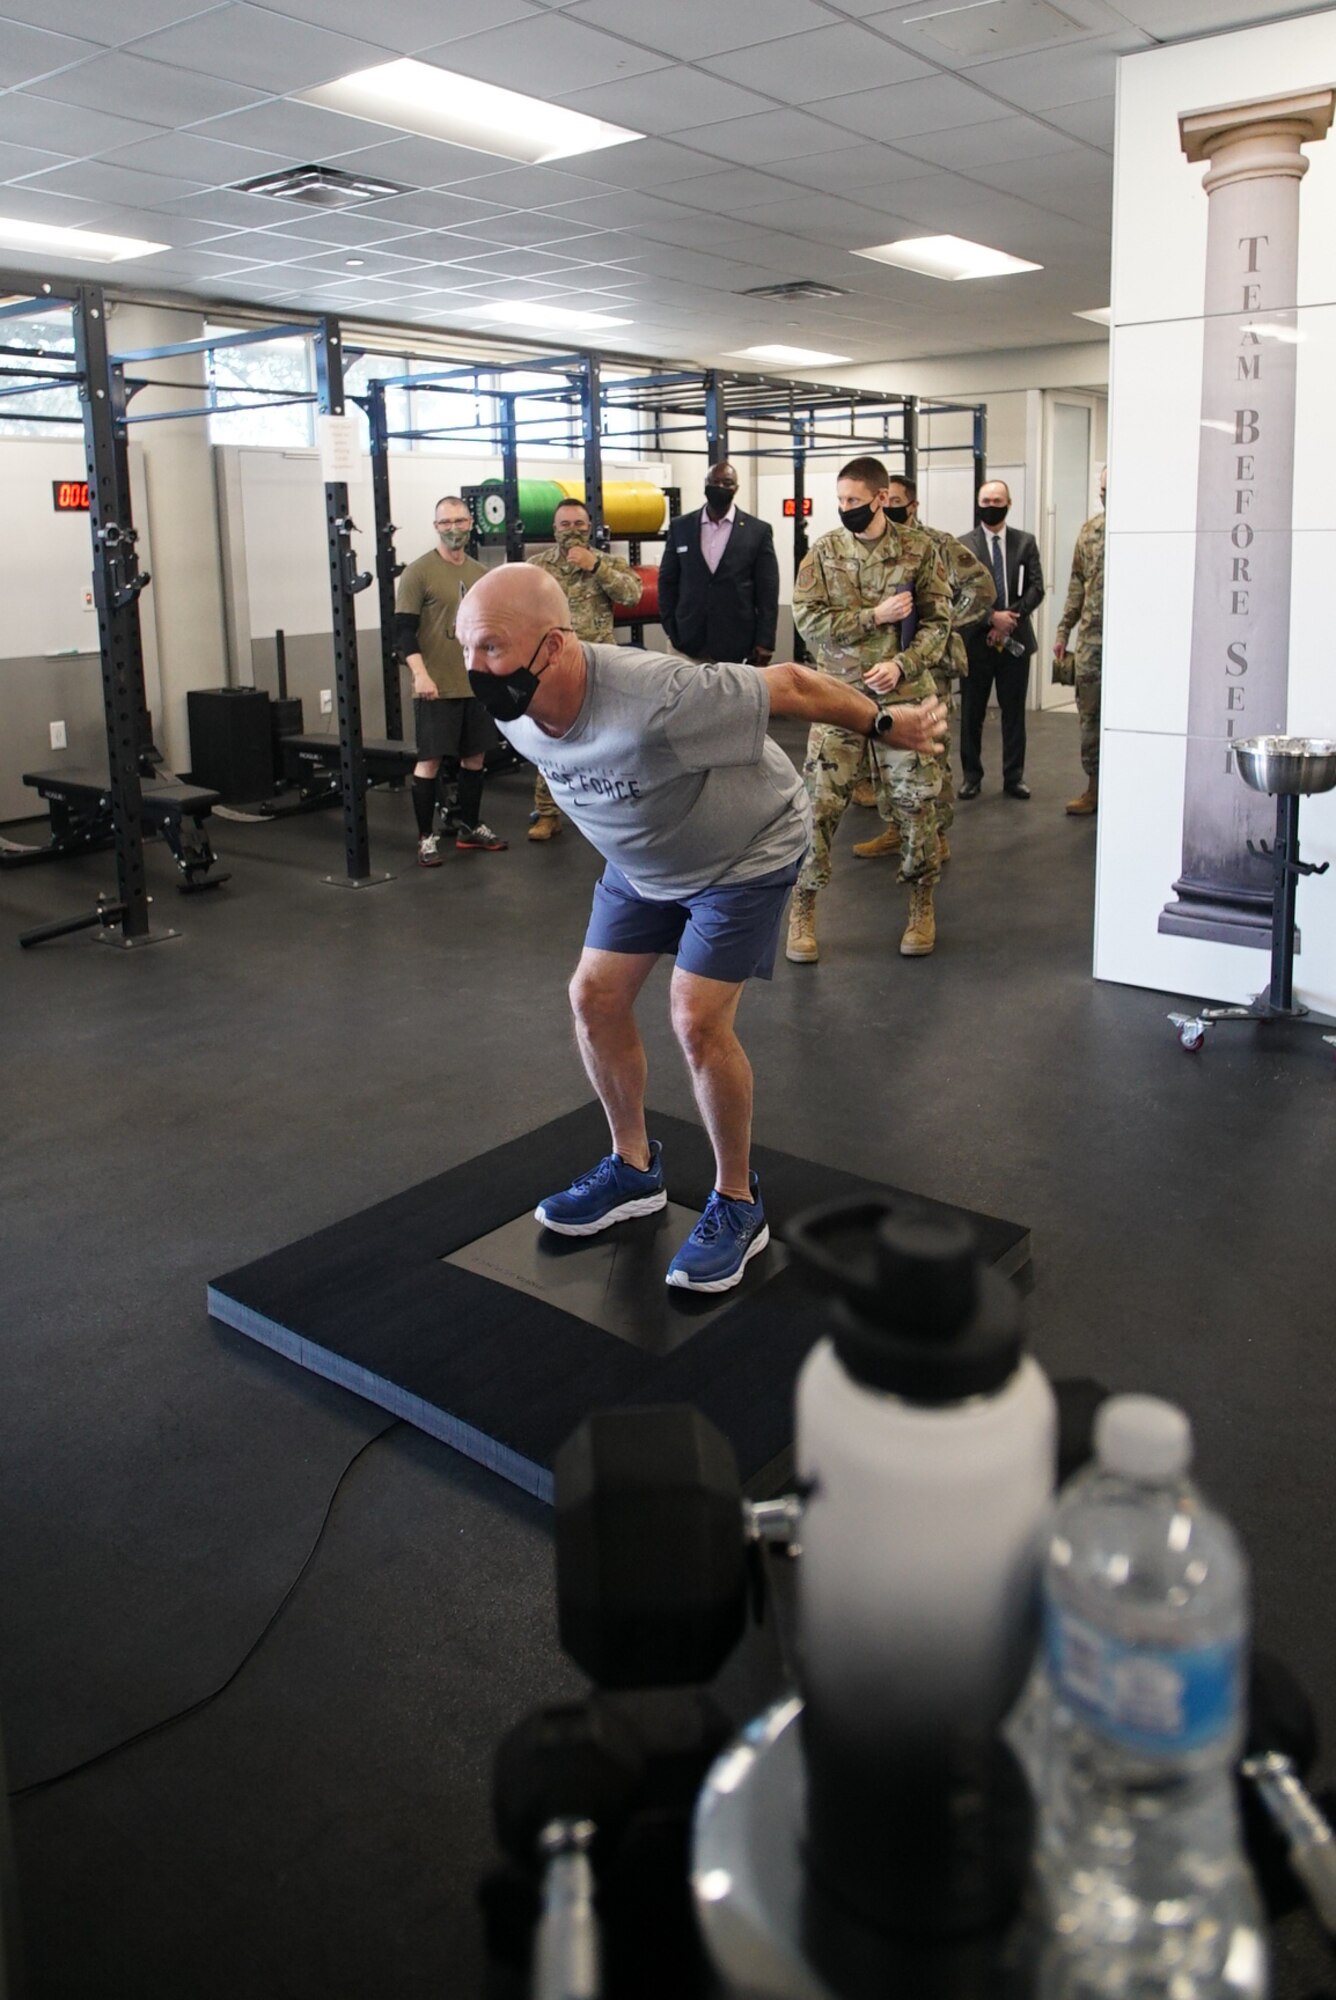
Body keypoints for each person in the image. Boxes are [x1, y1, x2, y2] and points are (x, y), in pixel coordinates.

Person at [455, 565, 947, 1293]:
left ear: (553, 646)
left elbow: (794, 685)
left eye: (491, 648)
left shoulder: (657, 696)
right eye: (466, 649)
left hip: (742, 850)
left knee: (695, 1017)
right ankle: (633, 1169)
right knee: (592, 998)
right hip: (643, 858)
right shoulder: (510, 702)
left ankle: (738, 1203)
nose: (476, 668)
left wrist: (885, 722)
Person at [789, 455, 953, 961]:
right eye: (840, 501)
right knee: (818, 806)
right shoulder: (823, 552)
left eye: (854, 501)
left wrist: (904, 664)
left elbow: (938, 621)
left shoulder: (920, 550)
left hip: (904, 699)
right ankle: (804, 906)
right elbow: (807, 621)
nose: (845, 509)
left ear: (882, 499)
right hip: (838, 698)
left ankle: (921, 905)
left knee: (917, 805)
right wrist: (872, 617)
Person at [852, 473, 995, 866]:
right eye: (886, 500)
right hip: (883, 665)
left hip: (930, 665)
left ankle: (937, 833)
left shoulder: (937, 543)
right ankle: (896, 828)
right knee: (885, 746)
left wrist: (946, 622)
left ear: (911, 505)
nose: (889, 506)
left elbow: (983, 588)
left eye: (896, 500)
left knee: (931, 751)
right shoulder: (868, 546)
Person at [394, 495, 506, 862]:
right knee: (430, 762)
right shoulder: (418, 572)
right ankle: (426, 838)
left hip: (473, 681)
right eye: (446, 523)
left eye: (459, 521)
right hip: (435, 686)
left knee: (474, 758)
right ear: (436, 527)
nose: (453, 529)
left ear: (471, 523)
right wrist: (420, 675)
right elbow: (403, 633)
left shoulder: (479, 574)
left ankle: (470, 828)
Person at [524, 497, 642, 842]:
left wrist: (596, 567)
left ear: (590, 528)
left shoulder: (607, 562)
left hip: (599, 666)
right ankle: (547, 813)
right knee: (549, 739)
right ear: (554, 530)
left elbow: (633, 594)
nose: (572, 531)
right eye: (565, 525)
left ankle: (616, 813)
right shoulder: (537, 566)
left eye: (579, 525)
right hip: (552, 667)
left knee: (611, 740)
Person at [959, 480, 1045, 800]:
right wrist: (990, 618)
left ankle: (1014, 777)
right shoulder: (962, 545)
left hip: (1016, 642)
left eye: (997, 499)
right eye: (985, 499)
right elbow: (957, 594)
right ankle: (971, 776)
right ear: (977, 502)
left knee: (1014, 714)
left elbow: (1037, 588)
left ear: (1009, 503)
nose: (990, 504)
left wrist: (1009, 620)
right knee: (971, 714)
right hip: (975, 643)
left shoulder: (1025, 543)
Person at [658, 460, 780, 666]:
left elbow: (767, 591)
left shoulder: (757, 531)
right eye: (714, 482)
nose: (720, 487)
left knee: (733, 698)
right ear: (705, 485)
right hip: (687, 643)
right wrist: (671, 627)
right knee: (685, 698)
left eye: (727, 483)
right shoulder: (681, 527)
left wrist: (765, 640)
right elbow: (667, 581)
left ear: (736, 488)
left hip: (737, 645)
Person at [1053, 465, 1107, 816]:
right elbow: (1076, 584)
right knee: (1090, 715)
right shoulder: (1091, 532)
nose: (1105, 494)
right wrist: (1063, 630)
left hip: (1138, 646)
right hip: (1093, 641)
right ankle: (1095, 786)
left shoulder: (1150, 529)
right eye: (1103, 489)